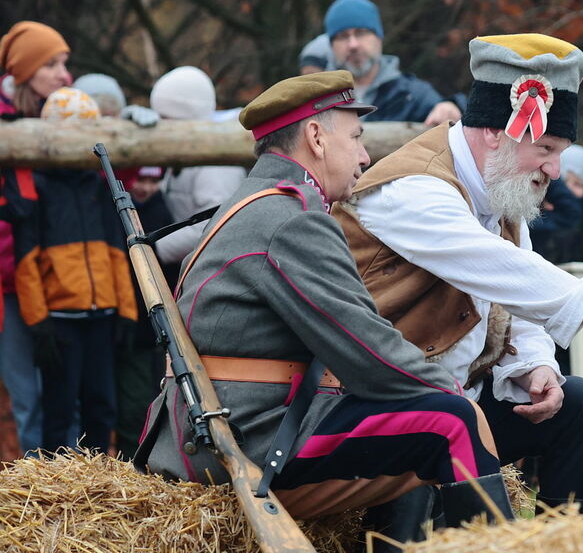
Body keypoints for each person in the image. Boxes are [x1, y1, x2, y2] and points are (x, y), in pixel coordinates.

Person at [334, 33, 583, 512]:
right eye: (545, 147)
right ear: (494, 131)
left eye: (561, 150)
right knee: (463, 457)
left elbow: (516, 307)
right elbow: (502, 271)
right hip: (378, 411)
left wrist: (535, 367)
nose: (555, 168)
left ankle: (570, 541)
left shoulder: (501, 191)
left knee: (582, 405)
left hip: (455, 405)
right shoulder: (414, 188)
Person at [140, 70, 511, 534]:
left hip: (221, 430)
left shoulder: (252, 204)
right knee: (453, 421)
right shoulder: (291, 219)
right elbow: (367, 349)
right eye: (355, 137)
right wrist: (451, 390)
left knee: (415, 410)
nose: (364, 155)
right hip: (249, 441)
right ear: (316, 137)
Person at [12, 88, 138, 454]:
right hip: (60, 319)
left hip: (102, 316)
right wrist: (39, 322)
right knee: (60, 408)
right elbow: (27, 260)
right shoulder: (37, 187)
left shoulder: (99, 186)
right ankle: (56, 477)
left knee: (102, 405)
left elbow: (118, 252)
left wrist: (127, 310)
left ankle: (99, 475)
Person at [0, 20, 76, 453]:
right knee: (27, 396)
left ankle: (81, 482)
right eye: (51, 65)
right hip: (9, 284)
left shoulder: (70, 112)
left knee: (67, 392)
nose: (64, 75)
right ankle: (37, 483)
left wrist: (133, 123)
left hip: (59, 278)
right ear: (25, 71)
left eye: (64, 63)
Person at [149, 66, 247, 268]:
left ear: (185, 118)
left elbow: (213, 225)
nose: (160, 125)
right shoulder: (184, 153)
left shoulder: (217, 162)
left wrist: (152, 247)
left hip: (212, 268)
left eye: (165, 118)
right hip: (191, 263)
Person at [324, 0, 464, 125]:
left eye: (361, 33)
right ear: (331, 46)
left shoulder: (411, 96)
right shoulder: (318, 99)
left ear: (379, 38)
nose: (353, 44)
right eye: (342, 36)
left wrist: (452, 106)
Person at [113, 166, 175, 460]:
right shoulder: (117, 214)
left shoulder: (162, 211)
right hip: (131, 326)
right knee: (133, 404)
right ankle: (132, 458)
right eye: (141, 179)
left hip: (157, 327)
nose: (147, 187)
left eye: (154, 181)